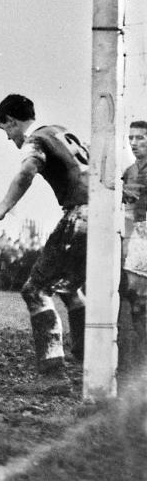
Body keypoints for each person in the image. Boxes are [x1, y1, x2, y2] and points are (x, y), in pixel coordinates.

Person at [0, 94, 88, 375]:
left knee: (35, 290)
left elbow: (27, 170)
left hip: (81, 213)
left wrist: (3, 207)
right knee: (69, 287)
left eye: (6, 130)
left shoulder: (34, 139)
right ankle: (86, 355)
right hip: (105, 213)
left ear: (12, 122)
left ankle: (52, 371)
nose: (7, 137)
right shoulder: (59, 131)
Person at [119, 120, 147, 373]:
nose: (134, 142)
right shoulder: (129, 170)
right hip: (136, 236)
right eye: (131, 138)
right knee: (136, 298)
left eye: (140, 138)